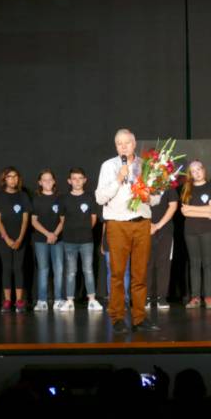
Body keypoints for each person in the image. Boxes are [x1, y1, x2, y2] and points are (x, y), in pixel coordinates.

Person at [95, 129, 159, 333]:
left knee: (140, 274)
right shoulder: (108, 166)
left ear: (134, 144)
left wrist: (149, 196)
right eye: (119, 143)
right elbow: (99, 198)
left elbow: (157, 197)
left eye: (127, 143)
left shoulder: (145, 166)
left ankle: (139, 318)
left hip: (141, 223)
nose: (123, 147)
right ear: (116, 147)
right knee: (117, 273)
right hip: (118, 224)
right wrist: (118, 179)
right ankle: (117, 317)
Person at [59, 167, 102, 311]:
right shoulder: (64, 198)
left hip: (86, 241)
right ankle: (69, 301)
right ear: (69, 181)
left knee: (88, 270)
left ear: (85, 180)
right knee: (71, 271)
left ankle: (92, 300)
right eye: (74, 178)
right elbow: (62, 219)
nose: (77, 181)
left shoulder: (90, 197)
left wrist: (84, 230)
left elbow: (93, 218)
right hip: (69, 241)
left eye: (80, 178)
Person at [180, 160, 211, 308]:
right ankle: (195, 297)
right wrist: (206, 212)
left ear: (204, 170)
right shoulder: (186, 188)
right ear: (190, 174)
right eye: (193, 171)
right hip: (190, 231)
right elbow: (184, 212)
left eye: (199, 169)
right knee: (194, 264)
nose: (197, 173)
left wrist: (192, 209)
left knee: (207, 263)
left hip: (207, 230)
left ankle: (208, 297)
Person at [0, 166, 32, 313]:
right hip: (4, 239)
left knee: (18, 267)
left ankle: (19, 300)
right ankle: (7, 300)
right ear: (4, 179)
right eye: (9, 176)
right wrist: (7, 238)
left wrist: (19, 239)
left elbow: (25, 220)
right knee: (7, 268)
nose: (13, 179)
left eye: (15, 176)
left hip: (20, 238)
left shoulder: (23, 196)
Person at [31, 169, 65, 311]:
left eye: (50, 179)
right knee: (43, 269)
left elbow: (63, 220)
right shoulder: (36, 199)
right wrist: (48, 234)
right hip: (41, 240)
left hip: (58, 239)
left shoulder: (60, 199)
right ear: (40, 182)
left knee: (58, 269)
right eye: (44, 180)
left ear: (54, 181)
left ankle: (58, 299)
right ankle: (42, 300)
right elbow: (33, 221)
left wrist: (54, 234)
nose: (48, 182)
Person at [145, 185, 178, 309]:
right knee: (145, 263)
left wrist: (158, 225)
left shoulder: (168, 186)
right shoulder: (141, 184)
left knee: (163, 264)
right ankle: (146, 297)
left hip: (165, 230)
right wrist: (147, 225)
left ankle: (162, 297)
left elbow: (173, 206)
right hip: (145, 229)